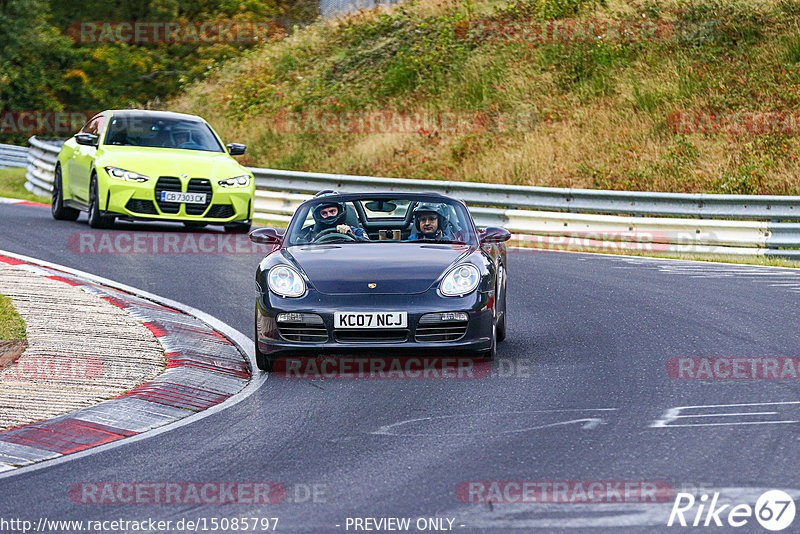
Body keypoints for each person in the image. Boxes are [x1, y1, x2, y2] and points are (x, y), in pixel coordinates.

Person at [297, 201, 369, 242]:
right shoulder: (310, 234)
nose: (329, 215)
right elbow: (298, 247)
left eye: (332, 211)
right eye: (324, 213)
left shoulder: (357, 231)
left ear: (339, 211)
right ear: (319, 215)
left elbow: (367, 246)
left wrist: (350, 234)